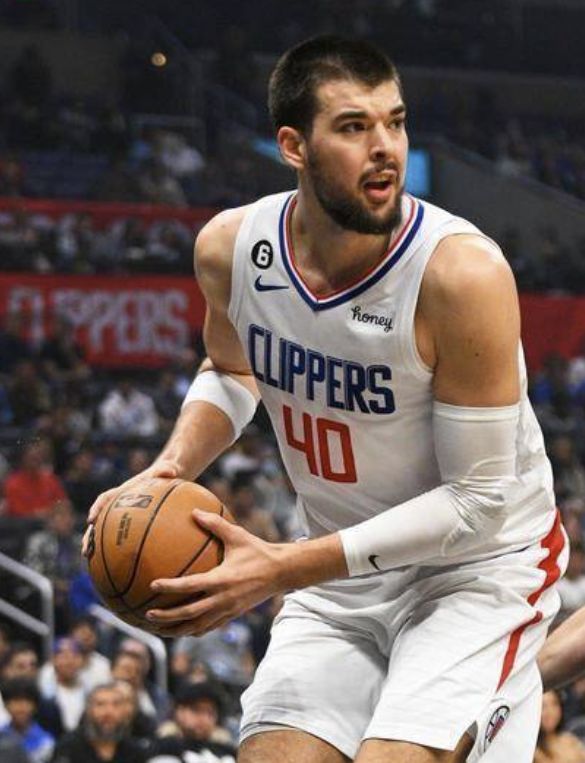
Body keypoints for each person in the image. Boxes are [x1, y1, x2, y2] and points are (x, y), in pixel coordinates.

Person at [85, 36, 567, 763]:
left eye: (395, 122)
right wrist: (169, 467)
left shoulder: (460, 275)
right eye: (352, 127)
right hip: (338, 575)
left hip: (475, 573)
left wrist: (281, 567)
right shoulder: (230, 248)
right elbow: (231, 371)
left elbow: (478, 502)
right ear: (293, 146)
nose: (385, 149)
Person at [50, 682, 150, 763]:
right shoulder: (68, 747)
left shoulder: (135, 751)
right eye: (100, 704)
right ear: (89, 710)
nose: (108, 712)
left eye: (116, 705)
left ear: (124, 712)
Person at [147, 681, 235, 763]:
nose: (204, 719)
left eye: (210, 713)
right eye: (197, 710)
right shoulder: (161, 747)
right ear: (179, 711)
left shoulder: (226, 751)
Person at [0, 678, 55, 763]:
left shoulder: (46, 742)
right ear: (6, 705)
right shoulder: (1, 736)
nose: (21, 708)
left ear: (35, 706)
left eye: (26, 702)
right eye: (15, 701)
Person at [533, 689, 585, 763]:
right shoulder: (532, 751)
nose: (550, 711)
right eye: (543, 706)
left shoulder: (569, 738)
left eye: (554, 704)